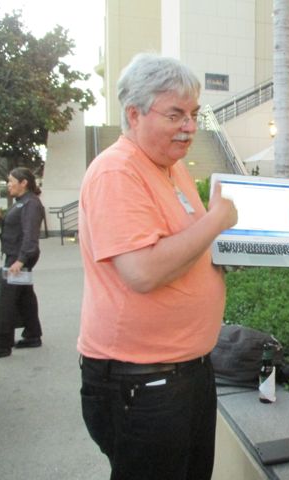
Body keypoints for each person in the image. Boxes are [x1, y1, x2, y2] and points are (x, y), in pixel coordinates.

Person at [77, 53, 238, 480]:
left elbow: (188, 245)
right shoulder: (117, 172)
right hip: (142, 380)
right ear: (134, 114)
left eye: (194, 114)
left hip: (186, 370)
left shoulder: (172, 167)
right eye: (175, 114)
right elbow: (143, 271)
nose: (190, 126)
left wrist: (239, 252)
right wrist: (218, 220)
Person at [0, 167, 45, 358]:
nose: (8, 184)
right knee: (24, 295)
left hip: (18, 257)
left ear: (23, 182)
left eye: (11, 181)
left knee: (6, 299)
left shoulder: (31, 203)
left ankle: (1, 344)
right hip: (16, 255)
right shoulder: (22, 202)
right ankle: (33, 334)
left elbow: (30, 234)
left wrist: (20, 261)